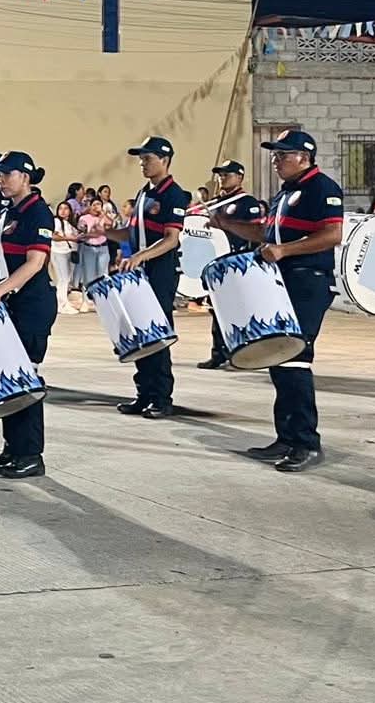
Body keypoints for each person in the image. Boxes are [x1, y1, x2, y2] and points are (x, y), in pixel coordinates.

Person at [209, 130, 345, 472]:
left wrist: (284, 250)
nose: (276, 160)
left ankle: (306, 443)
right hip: (282, 283)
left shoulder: (322, 188)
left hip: (308, 282)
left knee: (295, 358)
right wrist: (227, 224)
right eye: (275, 154)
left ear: (304, 157)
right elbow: (265, 235)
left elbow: (332, 234)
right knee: (279, 359)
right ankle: (286, 438)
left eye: (283, 154)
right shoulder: (285, 193)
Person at [0, 151, 57, 479]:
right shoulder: (9, 211)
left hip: (32, 305)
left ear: (26, 176)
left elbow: (35, 263)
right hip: (11, 304)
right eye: (0, 174)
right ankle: (12, 449)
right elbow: (2, 261)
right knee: (8, 377)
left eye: (8, 174)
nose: (2, 180)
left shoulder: (38, 213)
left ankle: (31, 454)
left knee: (25, 378)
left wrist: (0, 289)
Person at [114, 137, 191, 420]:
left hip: (160, 273)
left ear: (165, 160)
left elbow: (171, 239)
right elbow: (131, 233)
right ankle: (144, 393)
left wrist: (140, 256)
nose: (142, 164)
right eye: (141, 159)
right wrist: (102, 234)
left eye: (148, 159)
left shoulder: (174, 195)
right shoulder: (144, 193)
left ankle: (161, 397)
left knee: (156, 334)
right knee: (140, 334)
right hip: (140, 274)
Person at [195, 160, 266, 369]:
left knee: (240, 310)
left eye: (227, 174)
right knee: (217, 309)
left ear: (240, 177)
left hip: (238, 262)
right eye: (220, 175)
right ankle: (219, 352)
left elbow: (256, 233)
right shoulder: (216, 203)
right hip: (218, 261)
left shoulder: (247, 203)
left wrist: (226, 225)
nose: (222, 178)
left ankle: (244, 352)